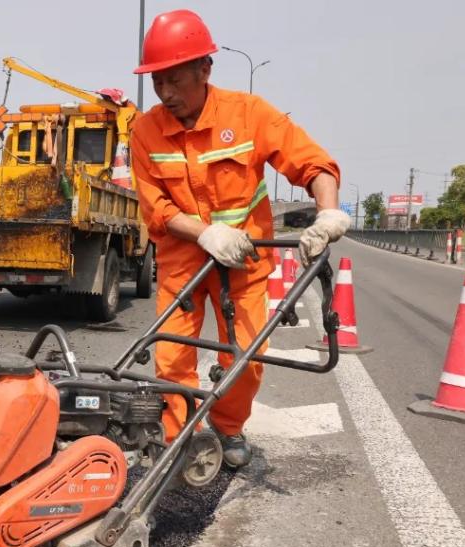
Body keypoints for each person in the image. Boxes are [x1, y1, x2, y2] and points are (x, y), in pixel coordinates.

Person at [130, 9, 348, 467]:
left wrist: (327, 211)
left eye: (174, 80)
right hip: (181, 263)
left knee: (246, 358)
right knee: (172, 358)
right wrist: (205, 232)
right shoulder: (145, 131)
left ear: (205, 69)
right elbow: (156, 208)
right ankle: (179, 438)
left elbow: (313, 164)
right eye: (157, 82)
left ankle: (227, 427)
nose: (166, 93)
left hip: (243, 263)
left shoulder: (249, 115)